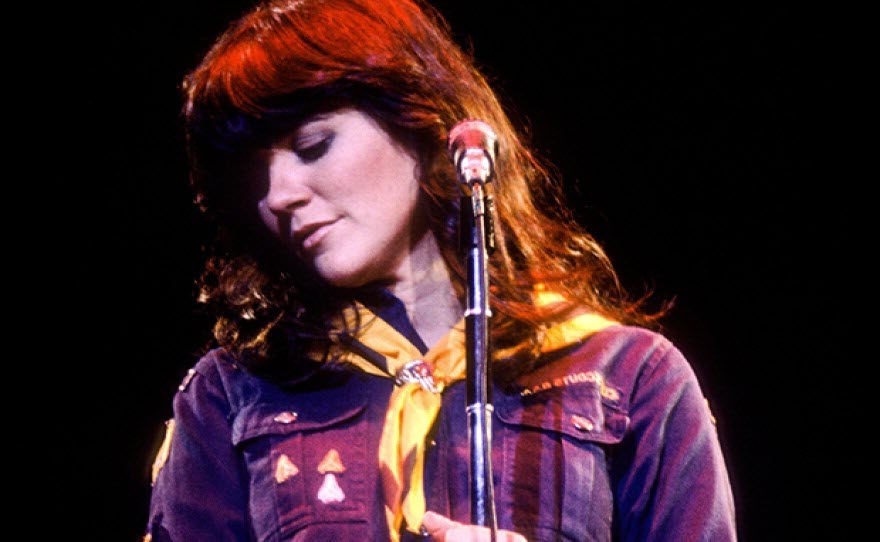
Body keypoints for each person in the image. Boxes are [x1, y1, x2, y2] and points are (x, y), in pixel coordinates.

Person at [143, 0, 737, 540]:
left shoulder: (630, 376)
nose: (278, 196)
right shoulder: (229, 394)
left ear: (421, 118)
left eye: (313, 145)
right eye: (255, 177)